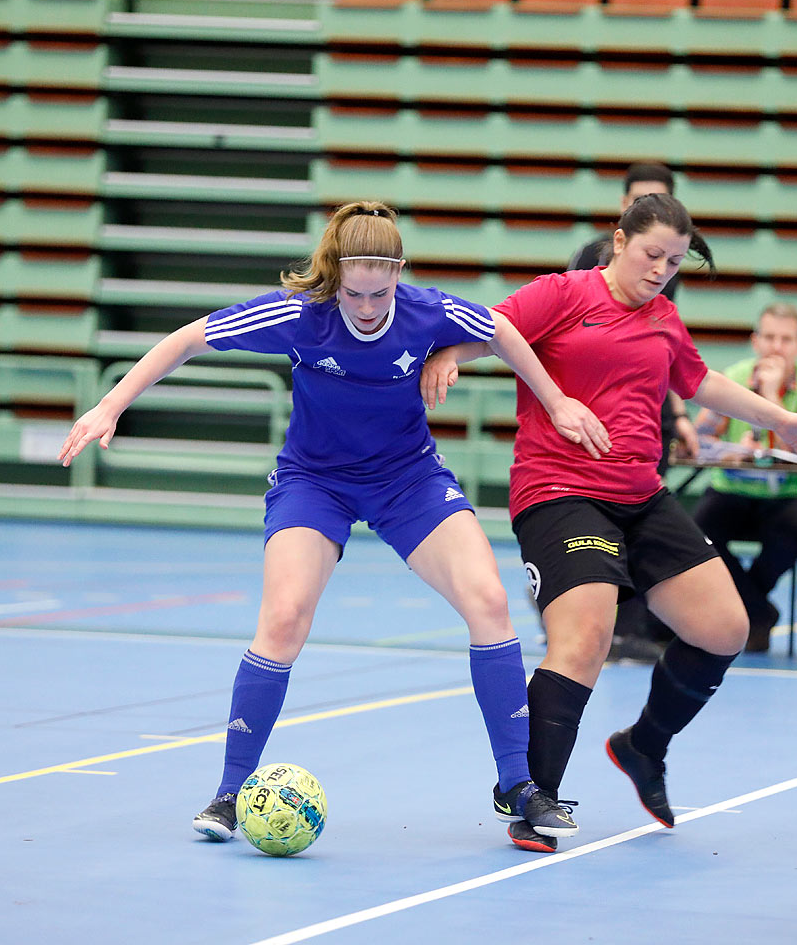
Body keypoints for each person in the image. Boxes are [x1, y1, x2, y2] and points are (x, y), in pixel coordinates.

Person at [57, 201, 611, 847]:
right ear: (333, 277)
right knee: (284, 619)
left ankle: (518, 784)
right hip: (313, 484)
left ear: (399, 274)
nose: (370, 306)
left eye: (382, 291)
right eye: (356, 293)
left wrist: (551, 397)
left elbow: (503, 330)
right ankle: (231, 791)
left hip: (409, 479)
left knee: (489, 601)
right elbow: (187, 340)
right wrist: (110, 404)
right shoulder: (301, 315)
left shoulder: (427, 310)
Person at [423, 193, 797, 852]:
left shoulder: (665, 318)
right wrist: (450, 353)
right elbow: (494, 328)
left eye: (674, 261)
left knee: (725, 627)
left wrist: (781, 420)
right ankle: (535, 798)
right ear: (619, 242)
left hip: (641, 496)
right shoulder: (564, 294)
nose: (660, 270)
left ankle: (645, 745)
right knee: (587, 635)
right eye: (652, 255)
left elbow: (700, 382)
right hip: (561, 491)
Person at [568, 161, 698, 662]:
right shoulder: (584, 267)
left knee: (643, 524)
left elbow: (670, 353)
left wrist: (680, 415)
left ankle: (639, 628)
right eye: (640, 199)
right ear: (624, 212)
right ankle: (587, 622)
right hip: (593, 413)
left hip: (651, 411)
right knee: (594, 530)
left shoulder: (665, 273)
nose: (660, 270)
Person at [691, 302, 797, 652]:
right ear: (755, 341)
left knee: (793, 529)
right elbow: (699, 438)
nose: (776, 347)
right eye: (769, 337)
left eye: (786, 339)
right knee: (695, 532)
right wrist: (730, 450)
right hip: (734, 487)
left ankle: (746, 610)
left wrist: (770, 397)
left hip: (789, 493)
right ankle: (759, 612)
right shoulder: (733, 378)